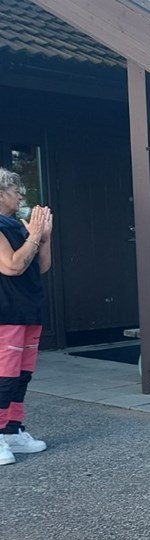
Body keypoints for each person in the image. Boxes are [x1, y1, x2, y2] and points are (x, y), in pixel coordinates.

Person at [0, 168, 53, 466]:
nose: (21, 196)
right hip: (5, 312)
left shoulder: (18, 226)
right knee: (4, 376)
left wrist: (44, 238)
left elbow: (41, 267)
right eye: (15, 191)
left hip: (28, 310)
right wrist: (33, 236)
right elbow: (12, 266)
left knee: (22, 375)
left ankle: (12, 430)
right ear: (0, 194)